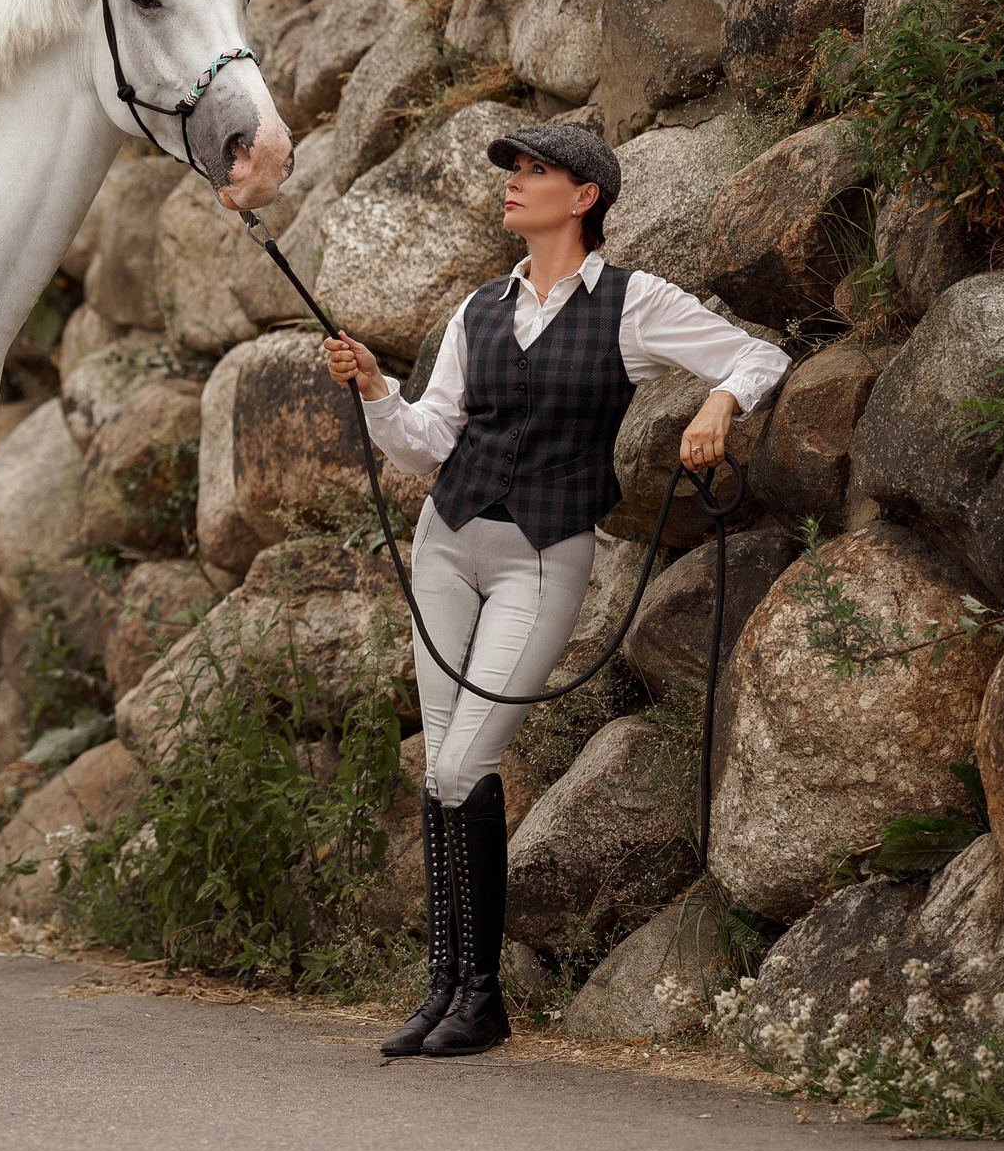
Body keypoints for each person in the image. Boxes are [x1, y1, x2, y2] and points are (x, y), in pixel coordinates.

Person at [322, 120, 787, 1058]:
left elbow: (758, 355)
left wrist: (715, 401)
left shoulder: (632, 303)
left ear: (584, 198)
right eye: (515, 170)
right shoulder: (476, 310)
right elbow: (426, 443)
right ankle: (446, 987)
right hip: (445, 542)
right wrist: (376, 390)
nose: (515, 183)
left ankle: (483, 996)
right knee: (440, 766)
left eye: (536, 171)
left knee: (464, 766)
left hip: (544, 553)